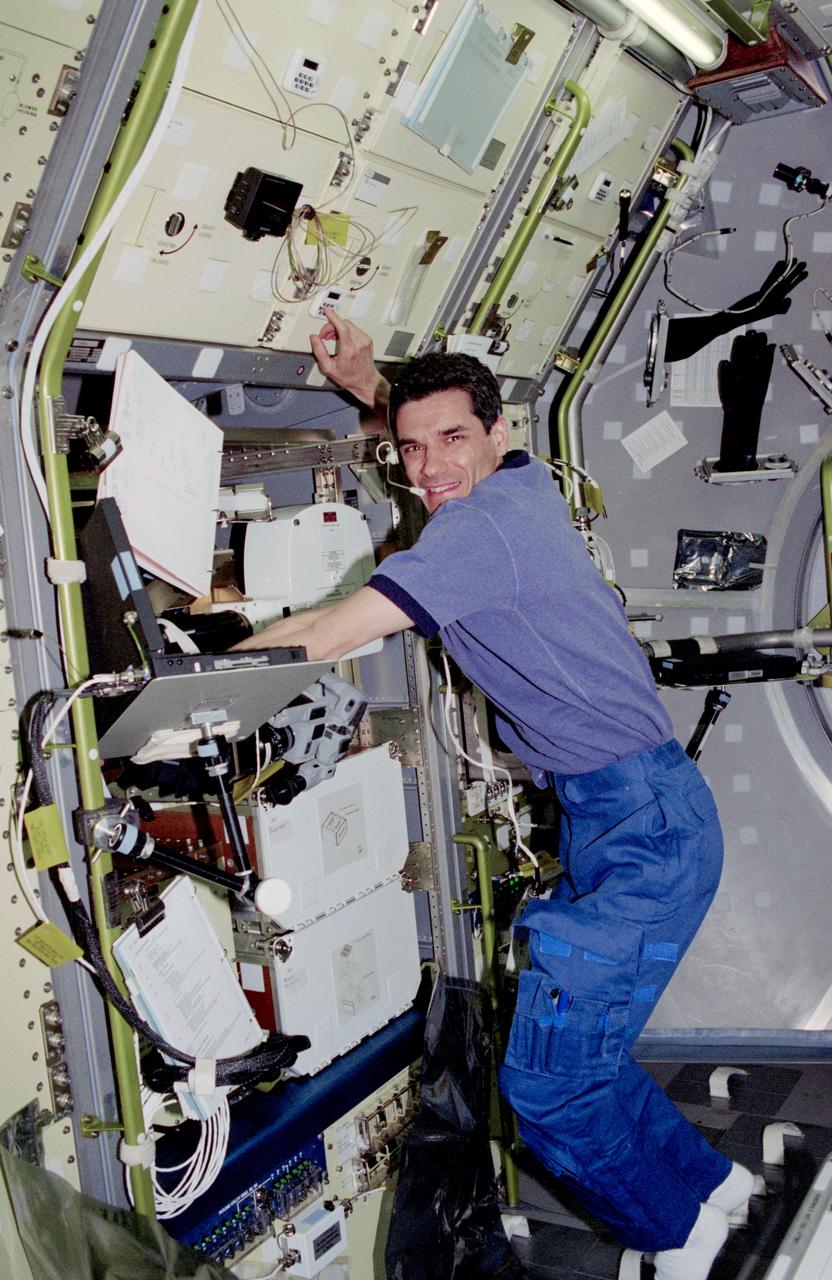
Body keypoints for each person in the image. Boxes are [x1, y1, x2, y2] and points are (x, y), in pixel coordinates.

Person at [234, 308, 755, 1278]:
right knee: (581, 1048)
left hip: (642, 828)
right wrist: (366, 384)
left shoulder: (474, 536)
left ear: (499, 430)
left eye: (451, 442)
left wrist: (187, 669)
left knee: (549, 1082)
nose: (429, 468)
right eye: (409, 448)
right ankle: (713, 1187)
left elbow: (339, 630)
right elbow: (433, 424)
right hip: (630, 811)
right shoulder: (517, 485)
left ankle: (683, 1240)